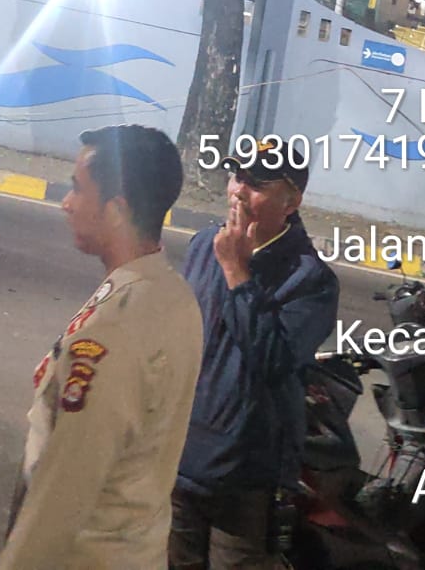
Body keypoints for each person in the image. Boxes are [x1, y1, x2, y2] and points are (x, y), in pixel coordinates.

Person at [0, 124, 203, 570]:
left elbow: (65, 489)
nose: (67, 203)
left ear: (116, 210)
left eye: (77, 188)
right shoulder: (174, 296)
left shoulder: (115, 328)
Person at [170, 135, 340, 570]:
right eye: (237, 177)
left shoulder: (311, 280)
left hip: (245, 479)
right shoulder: (204, 245)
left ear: (292, 201)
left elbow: (273, 360)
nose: (239, 191)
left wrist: (236, 270)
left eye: (258, 184)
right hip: (180, 460)